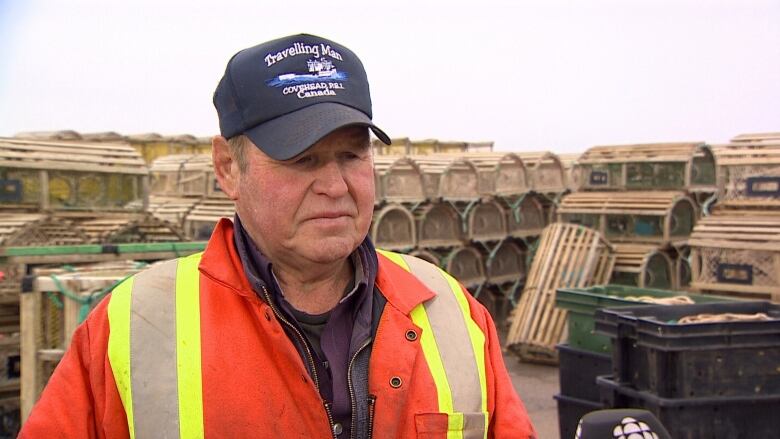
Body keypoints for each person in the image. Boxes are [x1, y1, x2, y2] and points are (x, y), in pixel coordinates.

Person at [20, 34, 536, 438]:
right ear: (228, 167)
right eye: (301, 160)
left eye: (352, 156)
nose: (334, 186)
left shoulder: (454, 312)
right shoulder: (132, 326)